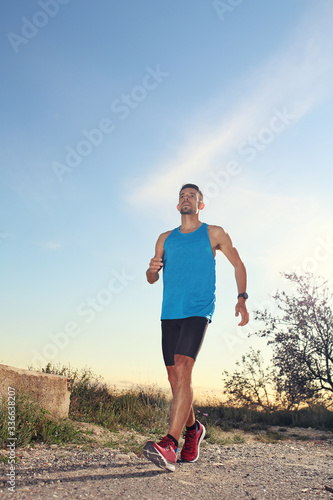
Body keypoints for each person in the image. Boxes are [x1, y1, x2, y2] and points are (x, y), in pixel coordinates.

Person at [143, 183, 249, 472]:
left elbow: (238, 263)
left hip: (198, 310)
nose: (186, 199)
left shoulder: (213, 233)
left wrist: (242, 298)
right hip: (170, 312)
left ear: (200, 205)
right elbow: (152, 278)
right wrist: (152, 271)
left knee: (183, 367)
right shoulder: (165, 238)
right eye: (182, 196)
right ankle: (194, 429)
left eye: (192, 196)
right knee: (175, 380)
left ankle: (169, 445)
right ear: (178, 206)